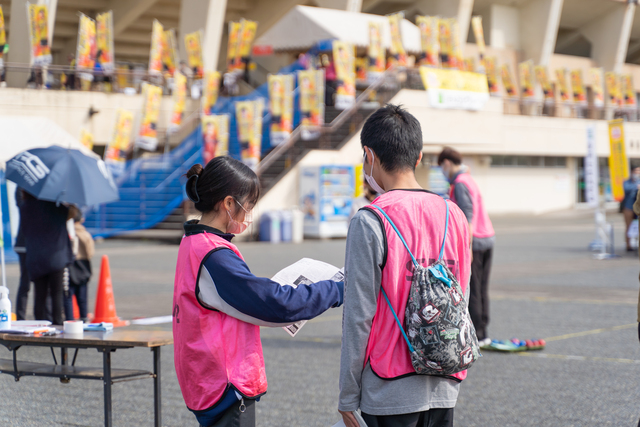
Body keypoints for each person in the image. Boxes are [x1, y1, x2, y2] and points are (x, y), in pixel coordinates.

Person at [173, 156, 344, 427]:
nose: (250, 214)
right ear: (229, 204)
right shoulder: (215, 257)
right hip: (224, 385)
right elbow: (274, 305)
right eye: (248, 205)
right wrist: (335, 290)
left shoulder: (193, 241)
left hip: (204, 377)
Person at [338, 105, 471, 427]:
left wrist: (347, 395)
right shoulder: (454, 214)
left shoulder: (370, 220)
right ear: (420, 156)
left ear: (368, 155)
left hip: (388, 386)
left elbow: (359, 316)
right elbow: (462, 294)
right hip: (445, 377)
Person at [438, 147, 495, 347]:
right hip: (488, 237)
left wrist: (467, 247)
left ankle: (478, 333)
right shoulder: (469, 179)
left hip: (476, 241)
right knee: (482, 287)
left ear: (446, 163)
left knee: (474, 289)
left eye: (441, 167)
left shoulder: (460, 183)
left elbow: (466, 216)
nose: (442, 172)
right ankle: (483, 330)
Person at [20, 193, 73, 325]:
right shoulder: (54, 206)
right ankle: (57, 323)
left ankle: (39, 323)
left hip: (36, 256)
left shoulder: (25, 207)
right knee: (57, 293)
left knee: (39, 294)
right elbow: (71, 215)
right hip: (56, 256)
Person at [63, 207, 94, 322]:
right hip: (83, 265)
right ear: (82, 219)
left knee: (68, 296)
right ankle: (83, 317)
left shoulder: (67, 232)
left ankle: (69, 319)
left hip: (69, 265)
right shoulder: (85, 234)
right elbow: (90, 252)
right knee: (82, 295)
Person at [622, 166, 640, 251]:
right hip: (628, 207)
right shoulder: (627, 181)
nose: (637, 173)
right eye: (636, 171)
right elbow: (626, 189)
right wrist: (636, 186)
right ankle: (628, 245)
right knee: (628, 226)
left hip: (638, 207)